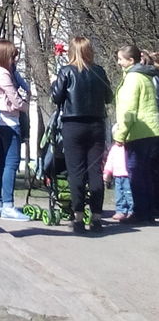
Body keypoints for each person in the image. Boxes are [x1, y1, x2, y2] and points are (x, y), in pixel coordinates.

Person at [51, 36, 113, 234]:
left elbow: (56, 97)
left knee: (76, 172)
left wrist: (56, 81)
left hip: (73, 125)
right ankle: (96, 217)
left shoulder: (67, 71)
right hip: (96, 124)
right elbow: (109, 97)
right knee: (95, 171)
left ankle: (78, 217)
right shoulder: (99, 71)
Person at [113, 43, 159, 224]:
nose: (118, 63)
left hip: (139, 132)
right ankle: (149, 211)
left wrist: (120, 135)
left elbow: (128, 110)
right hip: (153, 130)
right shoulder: (146, 76)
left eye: (120, 59)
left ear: (131, 60)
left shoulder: (133, 79)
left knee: (137, 174)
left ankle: (140, 212)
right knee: (148, 174)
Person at [0, 40, 29, 221]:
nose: (14, 60)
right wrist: (25, 105)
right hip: (9, 123)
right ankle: (8, 205)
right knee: (10, 164)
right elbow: (16, 99)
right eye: (12, 56)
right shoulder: (4, 74)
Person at [103, 140, 134, 222]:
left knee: (128, 194)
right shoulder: (114, 148)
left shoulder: (129, 147)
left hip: (127, 175)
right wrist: (107, 172)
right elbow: (110, 161)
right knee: (119, 194)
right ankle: (120, 211)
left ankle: (131, 211)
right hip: (117, 175)